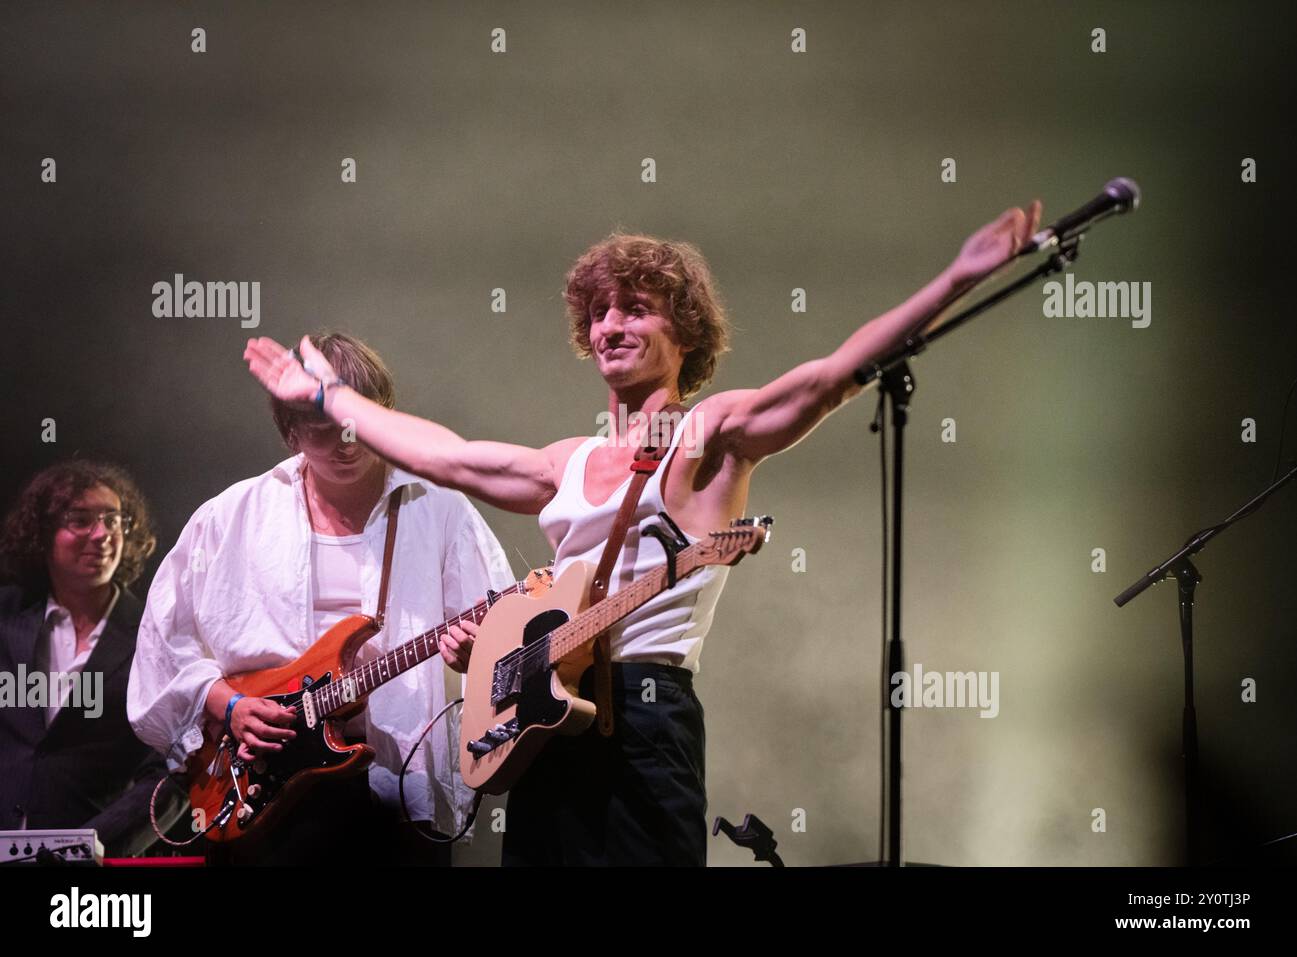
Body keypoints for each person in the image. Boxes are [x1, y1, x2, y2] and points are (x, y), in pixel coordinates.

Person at [243, 202, 1043, 865]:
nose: (610, 326)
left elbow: (828, 379)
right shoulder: (568, 461)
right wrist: (332, 400)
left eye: (635, 308)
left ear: (684, 331)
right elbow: (446, 455)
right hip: (545, 720)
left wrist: (957, 276)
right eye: (598, 313)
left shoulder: (709, 432)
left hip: (647, 717)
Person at [128, 333, 515, 865]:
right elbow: (161, 646)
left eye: (358, 421)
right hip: (263, 784)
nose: (347, 442)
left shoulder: (440, 509)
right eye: (323, 428)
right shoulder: (233, 515)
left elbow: (501, 633)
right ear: (290, 435)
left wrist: (477, 650)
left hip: (392, 779)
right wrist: (230, 704)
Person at [0, 460, 184, 858]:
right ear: (43, 532)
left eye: (113, 520)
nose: (101, 534)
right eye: (80, 519)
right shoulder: (5, 617)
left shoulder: (155, 636)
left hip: (95, 867)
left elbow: (173, 772)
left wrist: (88, 845)